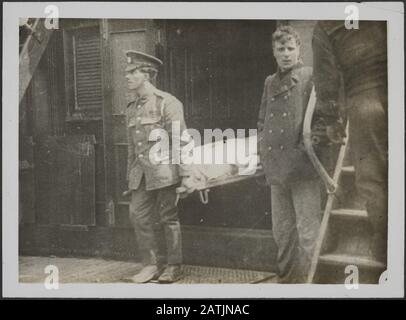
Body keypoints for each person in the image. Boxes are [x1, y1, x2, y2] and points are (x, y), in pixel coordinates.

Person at [312, 21, 388, 263]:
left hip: (363, 99)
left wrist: (332, 120)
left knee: (371, 178)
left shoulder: (325, 23)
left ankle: (384, 243)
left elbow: (326, 75)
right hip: (393, 88)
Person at [257, 26, 322, 283]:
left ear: (299, 50)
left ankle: (311, 284)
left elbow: (320, 120)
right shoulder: (269, 82)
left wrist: (306, 150)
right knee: (281, 231)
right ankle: (286, 282)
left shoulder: (310, 77)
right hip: (276, 168)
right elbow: (262, 121)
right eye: (280, 49)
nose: (286, 54)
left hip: (302, 167)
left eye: (290, 48)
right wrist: (263, 152)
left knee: (308, 232)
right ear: (274, 52)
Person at [124, 50, 191, 283]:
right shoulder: (131, 108)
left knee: (167, 217)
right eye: (127, 72)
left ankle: (174, 265)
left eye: (133, 72)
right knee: (137, 215)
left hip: (164, 172)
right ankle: (150, 265)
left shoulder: (167, 103)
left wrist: (186, 175)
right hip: (141, 174)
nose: (127, 77)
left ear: (147, 75)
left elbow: (181, 140)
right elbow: (132, 149)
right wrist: (130, 179)